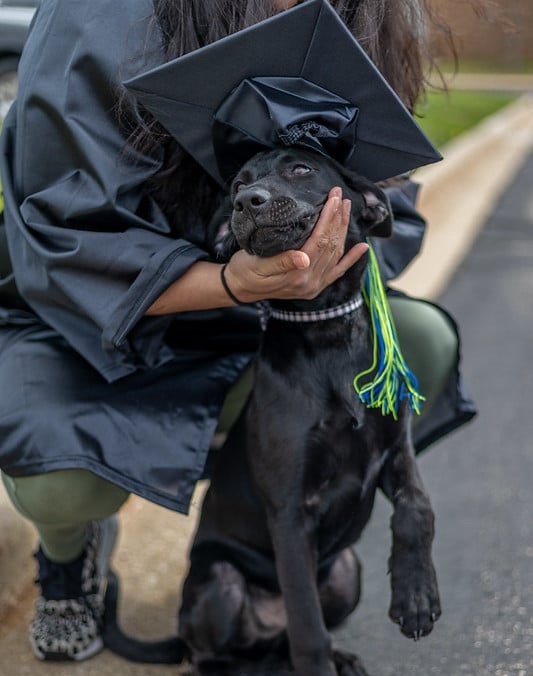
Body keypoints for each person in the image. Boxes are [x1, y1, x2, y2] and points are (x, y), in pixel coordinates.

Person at [0, 0, 476, 663]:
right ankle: (67, 562)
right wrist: (230, 281)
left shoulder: (363, 15)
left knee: (412, 340)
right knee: (61, 470)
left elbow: (382, 194)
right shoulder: (101, 14)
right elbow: (62, 230)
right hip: (101, 317)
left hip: (264, 321)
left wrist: (306, 263)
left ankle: (278, 533)